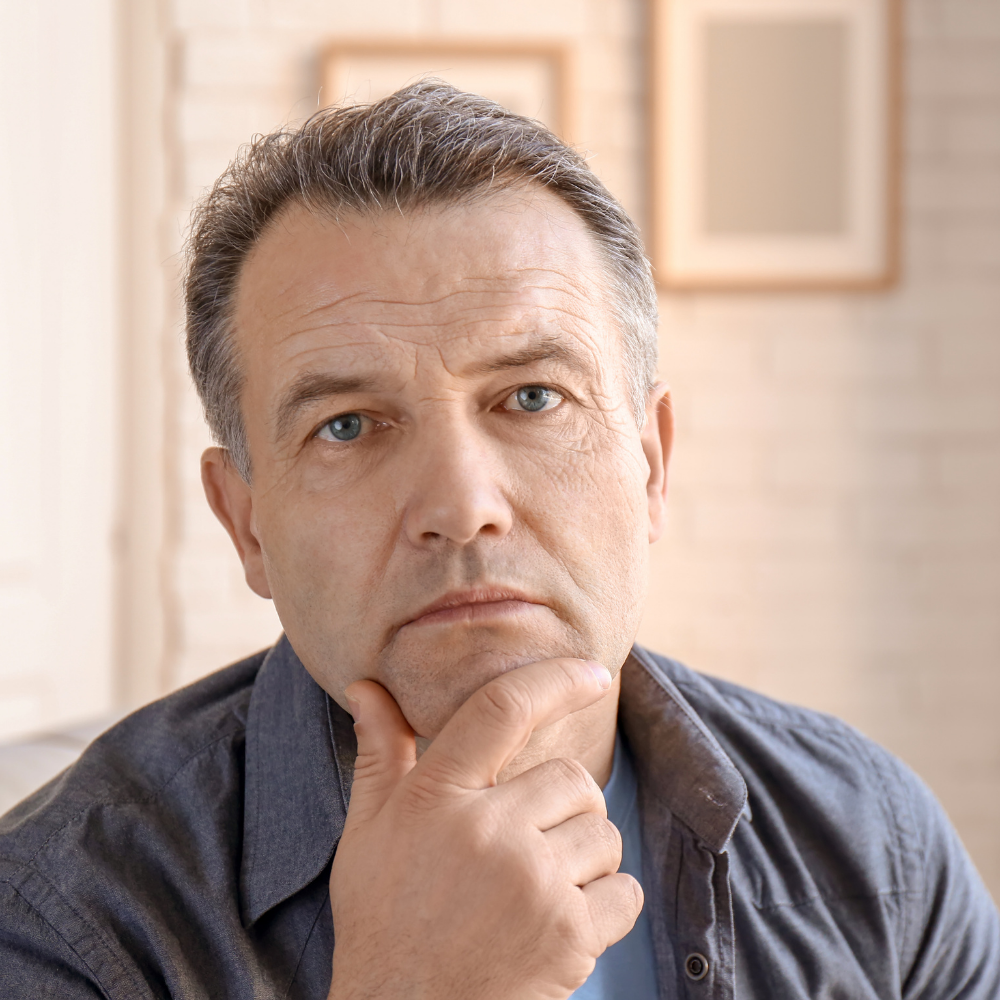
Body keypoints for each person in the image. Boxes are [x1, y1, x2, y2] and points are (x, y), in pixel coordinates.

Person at [1, 83, 997, 1000]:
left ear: (649, 464)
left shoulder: (875, 841)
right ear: (244, 523)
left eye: (531, 397)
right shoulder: (57, 917)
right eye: (346, 423)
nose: (463, 504)